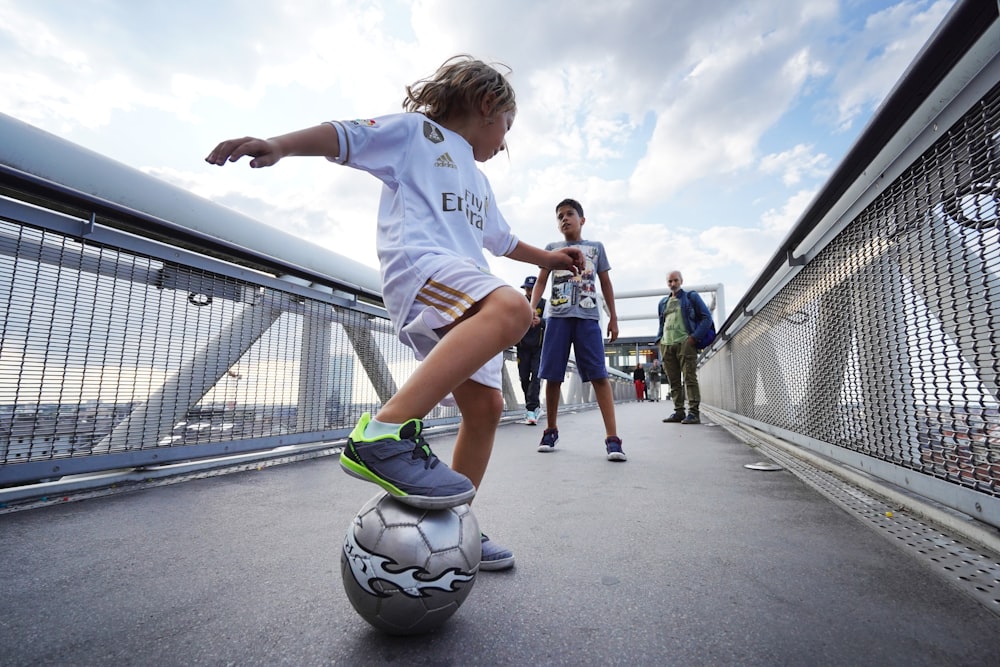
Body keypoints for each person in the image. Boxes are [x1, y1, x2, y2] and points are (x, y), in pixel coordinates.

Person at [205, 55, 585, 571]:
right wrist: (279, 145)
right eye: (506, 129)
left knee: (486, 408)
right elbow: (344, 136)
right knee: (513, 307)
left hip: (463, 280)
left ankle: (453, 524)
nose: (504, 142)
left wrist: (551, 259)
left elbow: (502, 241)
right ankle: (381, 433)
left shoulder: (479, 181)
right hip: (422, 267)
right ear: (487, 103)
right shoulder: (416, 135)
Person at [530, 198, 625, 462]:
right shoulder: (551, 250)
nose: (564, 219)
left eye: (570, 214)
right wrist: (532, 308)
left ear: (582, 220)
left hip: (587, 318)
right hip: (558, 317)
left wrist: (613, 318)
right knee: (552, 375)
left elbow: (606, 283)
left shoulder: (595, 248)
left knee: (599, 375)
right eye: (559, 216)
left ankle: (613, 439)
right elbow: (540, 282)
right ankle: (550, 430)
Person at [657, 270, 713, 425]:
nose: (672, 284)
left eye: (675, 280)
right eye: (670, 281)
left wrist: (694, 338)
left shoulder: (691, 297)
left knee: (689, 378)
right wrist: (659, 340)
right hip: (667, 344)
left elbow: (707, 318)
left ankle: (694, 413)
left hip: (685, 343)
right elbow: (662, 323)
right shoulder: (662, 302)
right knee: (673, 381)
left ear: (681, 281)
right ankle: (679, 411)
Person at [516, 275, 545, 425]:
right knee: (523, 377)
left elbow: (552, 323)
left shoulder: (545, 304)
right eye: (527, 288)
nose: (529, 291)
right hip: (522, 347)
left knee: (536, 377)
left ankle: (531, 409)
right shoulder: (519, 303)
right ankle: (534, 407)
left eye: (532, 288)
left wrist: (541, 321)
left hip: (539, 347)